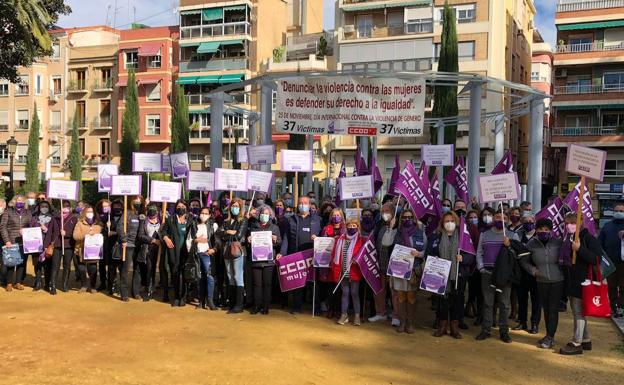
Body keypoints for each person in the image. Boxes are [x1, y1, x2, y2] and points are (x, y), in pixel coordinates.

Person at [425, 211, 474, 339]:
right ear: (442, 223)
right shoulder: (436, 236)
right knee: (442, 302)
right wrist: (434, 259)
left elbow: (472, 255)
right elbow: (428, 253)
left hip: (458, 275)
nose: (449, 223)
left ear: (456, 222)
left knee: (457, 302)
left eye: (452, 221)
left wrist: (463, 258)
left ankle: (454, 328)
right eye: (447, 221)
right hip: (441, 276)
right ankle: (442, 327)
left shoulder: (463, 238)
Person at [559, 213, 601, 355]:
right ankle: (586, 339)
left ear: (581, 222)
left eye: (573, 222)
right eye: (567, 223)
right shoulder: (568, 239)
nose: (569, 225)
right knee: (578, 311)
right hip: (572, 280)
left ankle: (577, 342)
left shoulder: (588, 238)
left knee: (578, 312)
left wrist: (579, 249)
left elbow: (596, 259)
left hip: (583, 281)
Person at [475, 211, 520, 343]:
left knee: (504, 304)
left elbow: (517, 255)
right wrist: (481, 267)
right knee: (488, 303)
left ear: (508, 220)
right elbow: (479, 252)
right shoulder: (484, 234)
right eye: (498, 217)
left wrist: (509, 245)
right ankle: (486, 329)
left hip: (504, 275)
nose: (501, 219)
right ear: (493, 218)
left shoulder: (512, 235)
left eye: (504, 218)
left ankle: (504, 331)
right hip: (487, 273)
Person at [520, 218, 563, 349]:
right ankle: (549, 335)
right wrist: (533, 270)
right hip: (541, 281)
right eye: (540, 229)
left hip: (557, 281)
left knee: (553, 309)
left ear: (551, 230)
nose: (543, 231)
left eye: (546, 229)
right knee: (546, 309)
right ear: (536, 229)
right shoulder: (531, 244)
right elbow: (524, 260)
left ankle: (550, 336)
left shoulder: (558, 242)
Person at [383, 208, 427, 334]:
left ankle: (410, 323)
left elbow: (425, 251)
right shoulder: (396, 232)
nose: (407, 219)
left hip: (414, 269)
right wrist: (390, 228)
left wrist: (418, 254)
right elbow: (386, 243)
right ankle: (402, 322)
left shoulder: (420, 233)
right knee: (401, 297)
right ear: (401, 219)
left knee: (411, 297)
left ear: (413, 218)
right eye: (404, 217)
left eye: (409, 217)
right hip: (399, 270)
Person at [279, 196, 321, 314]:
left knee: (313, 283)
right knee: (297, 283)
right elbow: (286, 238)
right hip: (296, 256)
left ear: (309, 204)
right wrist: (282, 253)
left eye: (305, 203)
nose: (303, 205)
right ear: (298, 205)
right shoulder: (291, 219)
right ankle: (296, 307)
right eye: (301, 203)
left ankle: (316, 308)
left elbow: (324, 237)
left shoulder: (317, 219)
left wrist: (318, 240)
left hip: (312, 256)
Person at [330, 218, 364, 326]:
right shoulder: (340, 239)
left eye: (354, 226)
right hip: (342, 271)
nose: (352, 227)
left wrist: (357, 259)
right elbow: (334, 253)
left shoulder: (361, 240)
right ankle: (344, 315)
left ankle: (357, 316)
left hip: (354, 272)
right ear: (346, 226)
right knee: (345, 293)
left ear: (358, 227)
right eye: (350, 225)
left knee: (355, 293)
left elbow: (364, 255)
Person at [248, 205, 281, 315]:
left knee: (267, 284)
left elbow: (279, 243)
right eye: (263, 213)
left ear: (270, 215)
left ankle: (266, 306)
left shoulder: (274, 227)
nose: (264, 215)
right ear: (259, 214)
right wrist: (249, 240)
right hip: (256, 260)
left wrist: (275, 240)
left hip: (269, 261)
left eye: (267, 214)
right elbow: (248, 242)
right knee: (257, 284)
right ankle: (256, 305)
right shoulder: (253, 226)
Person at [217, 198, 247, 313]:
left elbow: (239, 235)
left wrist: (226, 233)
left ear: (240, 208)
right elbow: (219, 234)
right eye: (233, 206)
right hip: (226, 250)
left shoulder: (243, 220)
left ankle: (239, 305)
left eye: (237, 206)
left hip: (238, 250)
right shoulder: (226, 221)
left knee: (238, 276)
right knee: (230, 276)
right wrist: (228, 232)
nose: (235, 208)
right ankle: (232, 303)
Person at [162, 199, 194, 307]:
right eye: (178, 206)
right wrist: (166, 238)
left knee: (185, 275)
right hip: (174, 252)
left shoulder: (191, 219)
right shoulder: (170, 219)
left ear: (186, 208)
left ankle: (183, 297)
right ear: (176, 208)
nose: (181, 208)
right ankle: (176, 297)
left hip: (186, 252)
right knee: (175, 274)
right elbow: (163, 231)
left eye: (183, 206)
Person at [369, 202, 396, 324]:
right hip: (379, 263)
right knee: (379, 290)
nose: (385, 213)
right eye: (383, 211)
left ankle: (396, 315)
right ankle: (381, 313)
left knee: (395, 292)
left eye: (387, 211)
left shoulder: (398, 227)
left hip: (393, 266)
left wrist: (392, 227)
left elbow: (389, 243)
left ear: (393, 212)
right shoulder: (379, 225)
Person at [513, 213, 540, 334]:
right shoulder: (518, 235)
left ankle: (535, 324)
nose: (528, 223)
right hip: (521, 273)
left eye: (531, 221)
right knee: (522, 299)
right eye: (526, 221)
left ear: (534, 222)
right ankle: (522, 322)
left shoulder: (539, 236)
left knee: (536, 300)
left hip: (536, 273)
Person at [43, 201, 78, 293]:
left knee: (67, 266)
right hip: (56, 245)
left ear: (70, 208)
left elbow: (76, 233)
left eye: (67, 207)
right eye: (63, 206)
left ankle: (65, 284)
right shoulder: (55, 218)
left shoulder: (74, 219)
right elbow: (49, 232)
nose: (65, 208)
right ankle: (53, 285)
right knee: (55, 265)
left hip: (68, 246)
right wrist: (46, 245)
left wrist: (67, 234)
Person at [0, 195, 33, 291]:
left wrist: (27, 231)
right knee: (11, 262)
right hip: (11, 242)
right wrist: (7, 240)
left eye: (22, 201)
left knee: (22, 263)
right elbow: (2, 227)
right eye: (18, 200)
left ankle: (18, 282)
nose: (20, 202)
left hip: (24, 242)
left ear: (25, 202)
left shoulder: (28, 213)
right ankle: (9, 283)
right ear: (14, 201)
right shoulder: (8, 212)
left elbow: (31, 225)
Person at [187, 206, 217, 310]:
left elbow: (216, 240)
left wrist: (214, 249)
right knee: (199, 278)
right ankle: (201, 300)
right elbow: (189, 239)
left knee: (209, 277)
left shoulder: (213, 225)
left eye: (206, 213)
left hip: (207, 254)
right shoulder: (194, 225)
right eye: (202, 213)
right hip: (196, 253)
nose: (204, 215)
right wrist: (196, 240)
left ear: (209, 215)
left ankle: (210, 300)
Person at [115, 196, 144, 301]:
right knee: (125, 269)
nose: (137, 202)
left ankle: (136, 292)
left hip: (140, 246)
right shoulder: (127, 213)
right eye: (135, 200)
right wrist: (123, 240)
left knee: (138, 270)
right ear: (131, 202)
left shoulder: (143, 213)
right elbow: (119, 227)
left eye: (139, 200)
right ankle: (124, 293)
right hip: (128, 245)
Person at [598, 202, 624, 318]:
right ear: (613, 212)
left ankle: (622, 307)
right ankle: (613, 307)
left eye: (622, 211)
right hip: (610, 262)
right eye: (617, 211)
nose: (619, 213)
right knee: (612, 286)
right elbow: (600, 243)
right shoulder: (607, 226)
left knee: (623, 286)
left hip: (623, 263)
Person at [72, 206, 103, 293]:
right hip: (81, 250)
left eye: (92, 211)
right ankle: (84, 285)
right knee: (81, 268)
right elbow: (75, 236)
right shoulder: (79, 223)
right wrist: (87, 235)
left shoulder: (98, 224)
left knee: (93, 268)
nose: (90, 213)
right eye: (88, 212)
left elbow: (101, 237)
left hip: (94, 251)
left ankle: (93, 286)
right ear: (84, 213)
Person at [136, 204, 162, 302]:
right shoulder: (144, 221)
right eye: (150, 209)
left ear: (158, 211)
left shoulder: (162, 220)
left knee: (159, 268)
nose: (152, 211)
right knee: (149, 268)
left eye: (154, 209)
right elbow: (140, 235)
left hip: (160, 249)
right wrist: (153, 240)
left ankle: (155, 285)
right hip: (148, 248)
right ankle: (149, 289)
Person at [29, 200, 53, 291]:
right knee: (37, 264)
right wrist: (36, 229)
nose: (44, 208)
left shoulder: (52, 218)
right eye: (42, 206)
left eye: (46, 206)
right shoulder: (34, 218)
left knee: (47, 265)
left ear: (49, 208)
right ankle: (38, 282)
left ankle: (47, 284)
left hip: (47, 245)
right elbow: (30, 229)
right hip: (36, 245)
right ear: (39, 207)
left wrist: (47, 230)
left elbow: (54, 231)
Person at [95, 199, 112, 292]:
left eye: (107, 206)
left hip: (110, 243)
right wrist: (105, 226)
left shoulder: (112, 216)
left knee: (110, 264)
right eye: (103, 206)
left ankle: (111, 283)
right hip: (100, 242)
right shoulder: (98, 217)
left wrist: (110, 225)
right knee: (101, 264)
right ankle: (102, 283)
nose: (105, 208)